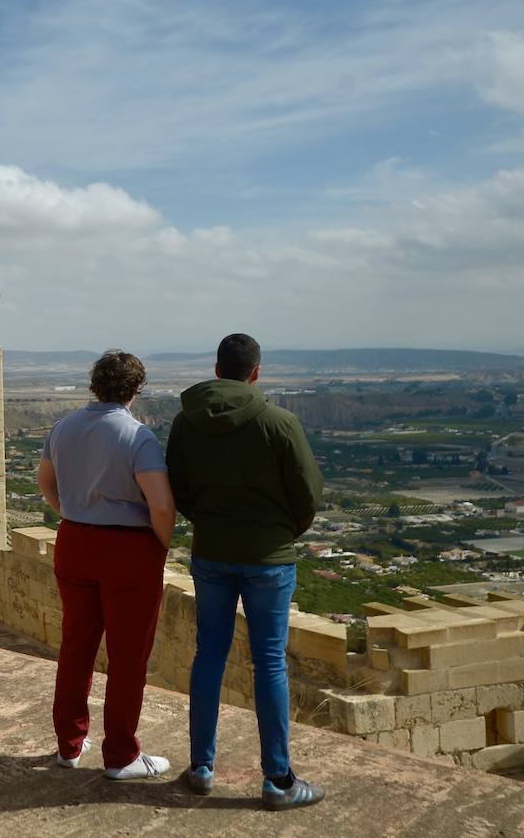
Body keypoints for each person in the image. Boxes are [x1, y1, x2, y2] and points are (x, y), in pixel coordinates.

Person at [165, 333, 326, 810]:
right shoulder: (280, 422)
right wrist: (281, 532)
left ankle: (201, 768)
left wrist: (210, 523)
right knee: (270, 661)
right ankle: (278, 780)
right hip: (269, 558)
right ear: (256, 372)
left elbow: (179, 487)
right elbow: (308, 495)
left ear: (217, 370)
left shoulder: (184, 422)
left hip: (211, 553)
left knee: (209, 655)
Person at [37, 350, 176, 780]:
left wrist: (72, 513)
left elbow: (44, 480)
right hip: (127, 551)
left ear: (94, 384)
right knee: (127, 655)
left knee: (76, 646)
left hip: (74, 542)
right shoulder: (137, 437)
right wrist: (160, 547)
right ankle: (120, 755)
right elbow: (162, 505)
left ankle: (69, 745)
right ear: (136, 390)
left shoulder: (63, 427)